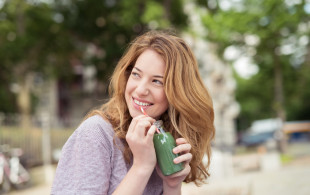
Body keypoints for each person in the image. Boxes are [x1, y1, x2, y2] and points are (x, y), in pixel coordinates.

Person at [51, 30, 215, 195]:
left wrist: (172, 186)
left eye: (157, 81)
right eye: (136, 74)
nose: (141, 89)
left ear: (177, 93)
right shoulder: (96, 134)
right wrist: (141, 167)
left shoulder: (164, 142)